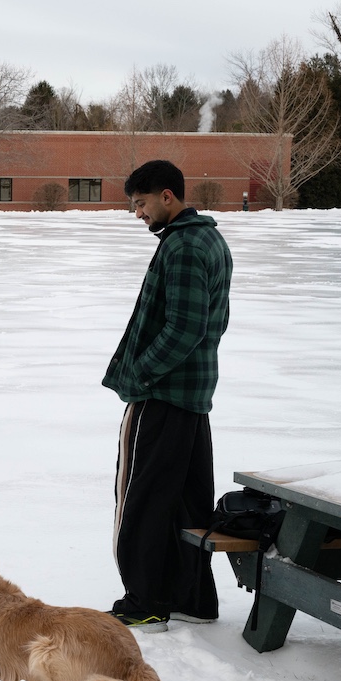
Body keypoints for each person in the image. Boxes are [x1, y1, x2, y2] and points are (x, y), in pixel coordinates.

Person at [101, 160, 233, 632]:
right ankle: (190, 597)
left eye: (140, 204)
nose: (137, 213)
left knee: (142, 497)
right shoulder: (206, 239)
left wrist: (141, 373)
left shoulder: (184, 246)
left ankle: (146, 601)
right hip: (192, 396)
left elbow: (185, 329)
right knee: (187, 499)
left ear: (167, 197)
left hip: (164, 394)